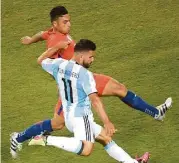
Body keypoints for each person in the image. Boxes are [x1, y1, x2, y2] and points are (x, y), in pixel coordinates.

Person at [21, 6, 173, 136]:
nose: (69, 24)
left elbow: (42, 34)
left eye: (69, 20)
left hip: (85, 78)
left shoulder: (53, 32)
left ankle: (156, 113)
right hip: (75, 85)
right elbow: (48, 63)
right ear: (55, 23)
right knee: (58, 123)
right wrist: (60, 68)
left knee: (119, 88)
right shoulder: (56, 41)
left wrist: (29, 40)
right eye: (65, 22)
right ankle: (25, 136)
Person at [11, 39, 149, 163]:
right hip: (82, 117)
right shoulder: (85, 75)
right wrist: (107, 122)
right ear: (81, 56)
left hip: (69, 116)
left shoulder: (59, 65)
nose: (92, 60)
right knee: (86, 149)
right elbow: (95, 100)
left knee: (105, 138)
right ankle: (44, 139)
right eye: (91, 57)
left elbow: (40, 60)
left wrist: (56, 47)